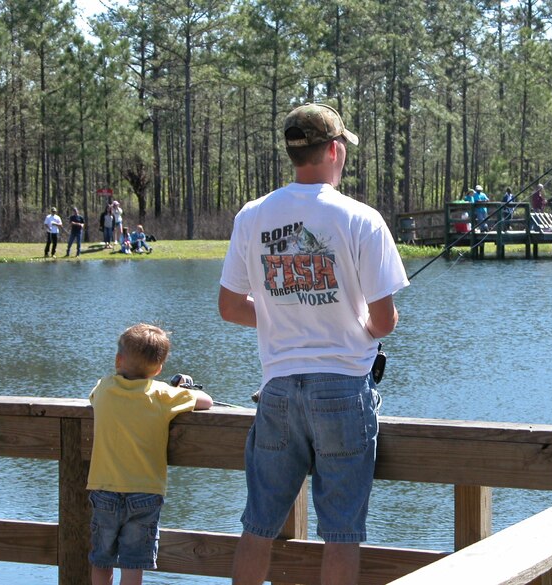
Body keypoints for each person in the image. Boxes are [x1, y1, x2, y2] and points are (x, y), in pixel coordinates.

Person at [218, 103, 409, 585]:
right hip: (344, 391)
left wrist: (283, 313)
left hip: (277, 392)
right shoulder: (361, 219)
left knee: (257, 525)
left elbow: (229, 306)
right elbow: (384, 322)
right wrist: (360, 324)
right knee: (341, 532)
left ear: (292, 152)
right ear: (336, 150)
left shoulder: (253, 215)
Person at [87, 323, 213, 585]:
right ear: (158, 369)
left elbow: (92, 398)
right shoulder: (163, 394)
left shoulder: (104, 388)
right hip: (145, 492)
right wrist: (184, 389)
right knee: (134, 564)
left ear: (118, 359)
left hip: (104, 490)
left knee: (101, 560)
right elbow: (207, 402)